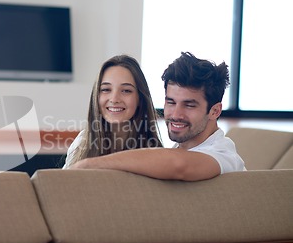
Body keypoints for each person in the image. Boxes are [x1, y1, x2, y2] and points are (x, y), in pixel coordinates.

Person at [69, 52, 245, 180]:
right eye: (170, 102)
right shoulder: (173, 150)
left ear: (215, 111)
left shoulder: (224, 154)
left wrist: (89, 164)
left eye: (189, 105)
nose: (176, 114)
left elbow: (179, 165)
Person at [63, 54, 163, 168]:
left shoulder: (155, 152)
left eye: (126, 90)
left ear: (140, 99)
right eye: (106, 89)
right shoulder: (81, 142)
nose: (114, 99)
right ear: (96, 96)